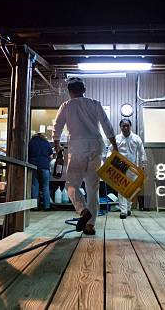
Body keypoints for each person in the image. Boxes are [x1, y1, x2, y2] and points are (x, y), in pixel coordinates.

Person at [53, 77, 118, 235]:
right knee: (93, 188)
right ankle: (90, 225)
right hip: (96, 146)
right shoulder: (95, 103)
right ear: (84, 90)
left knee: (72, 185)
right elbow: (107, 125)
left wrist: (57, 145)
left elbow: (58, 126)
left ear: (69, 92)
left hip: (77, 147)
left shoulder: (66, 106)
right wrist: (115, 146)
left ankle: (82, 210)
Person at [112, 119, 146, 219]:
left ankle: (128, 208)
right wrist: (111, 163)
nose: (125, 128)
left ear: (130, 126)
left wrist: (143, 163)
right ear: (120, 127)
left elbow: (142, 152)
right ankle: (123, 211)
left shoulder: (136, 138)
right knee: (121, 189)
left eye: (127, 126)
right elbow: (110, 151)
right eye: (123, 126)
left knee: (131, 189)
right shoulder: (117, 139)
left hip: (133, 168)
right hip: (120, 167)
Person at [28, 132, 54, 211]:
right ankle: (47, 206)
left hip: (33, 165)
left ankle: (34, 206)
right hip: (44, 166)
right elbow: (51, 153)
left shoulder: (31, 142)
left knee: (35, 186)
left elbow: (28, 153)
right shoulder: (46, 142)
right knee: (45, 186)